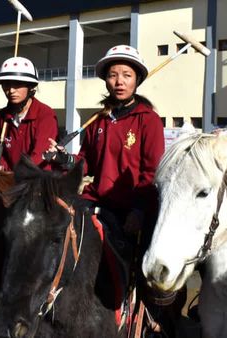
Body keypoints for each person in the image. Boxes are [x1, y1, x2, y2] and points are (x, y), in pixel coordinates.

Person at [45, 45, 180, 334]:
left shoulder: (148, 119)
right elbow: (86, 163)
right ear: (106, 80)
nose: (119, 81)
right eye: (113, 75)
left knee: (148, 263)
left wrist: (140, 211)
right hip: (97, 199)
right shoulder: (100, 120)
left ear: (137, 80)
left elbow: (151, 172)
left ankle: (153, 313)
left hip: (134, 205)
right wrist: (62, 158)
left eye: (127, 75)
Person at [0, 56, 58, 172]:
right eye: (6, 84)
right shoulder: (2, 116)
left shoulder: (46, 115)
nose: (11, 90)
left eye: (17, 84)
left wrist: (14, 175)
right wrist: (0, 167)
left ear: (30, 86)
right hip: (11, 182)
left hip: (39, 183)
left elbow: (39, 156)